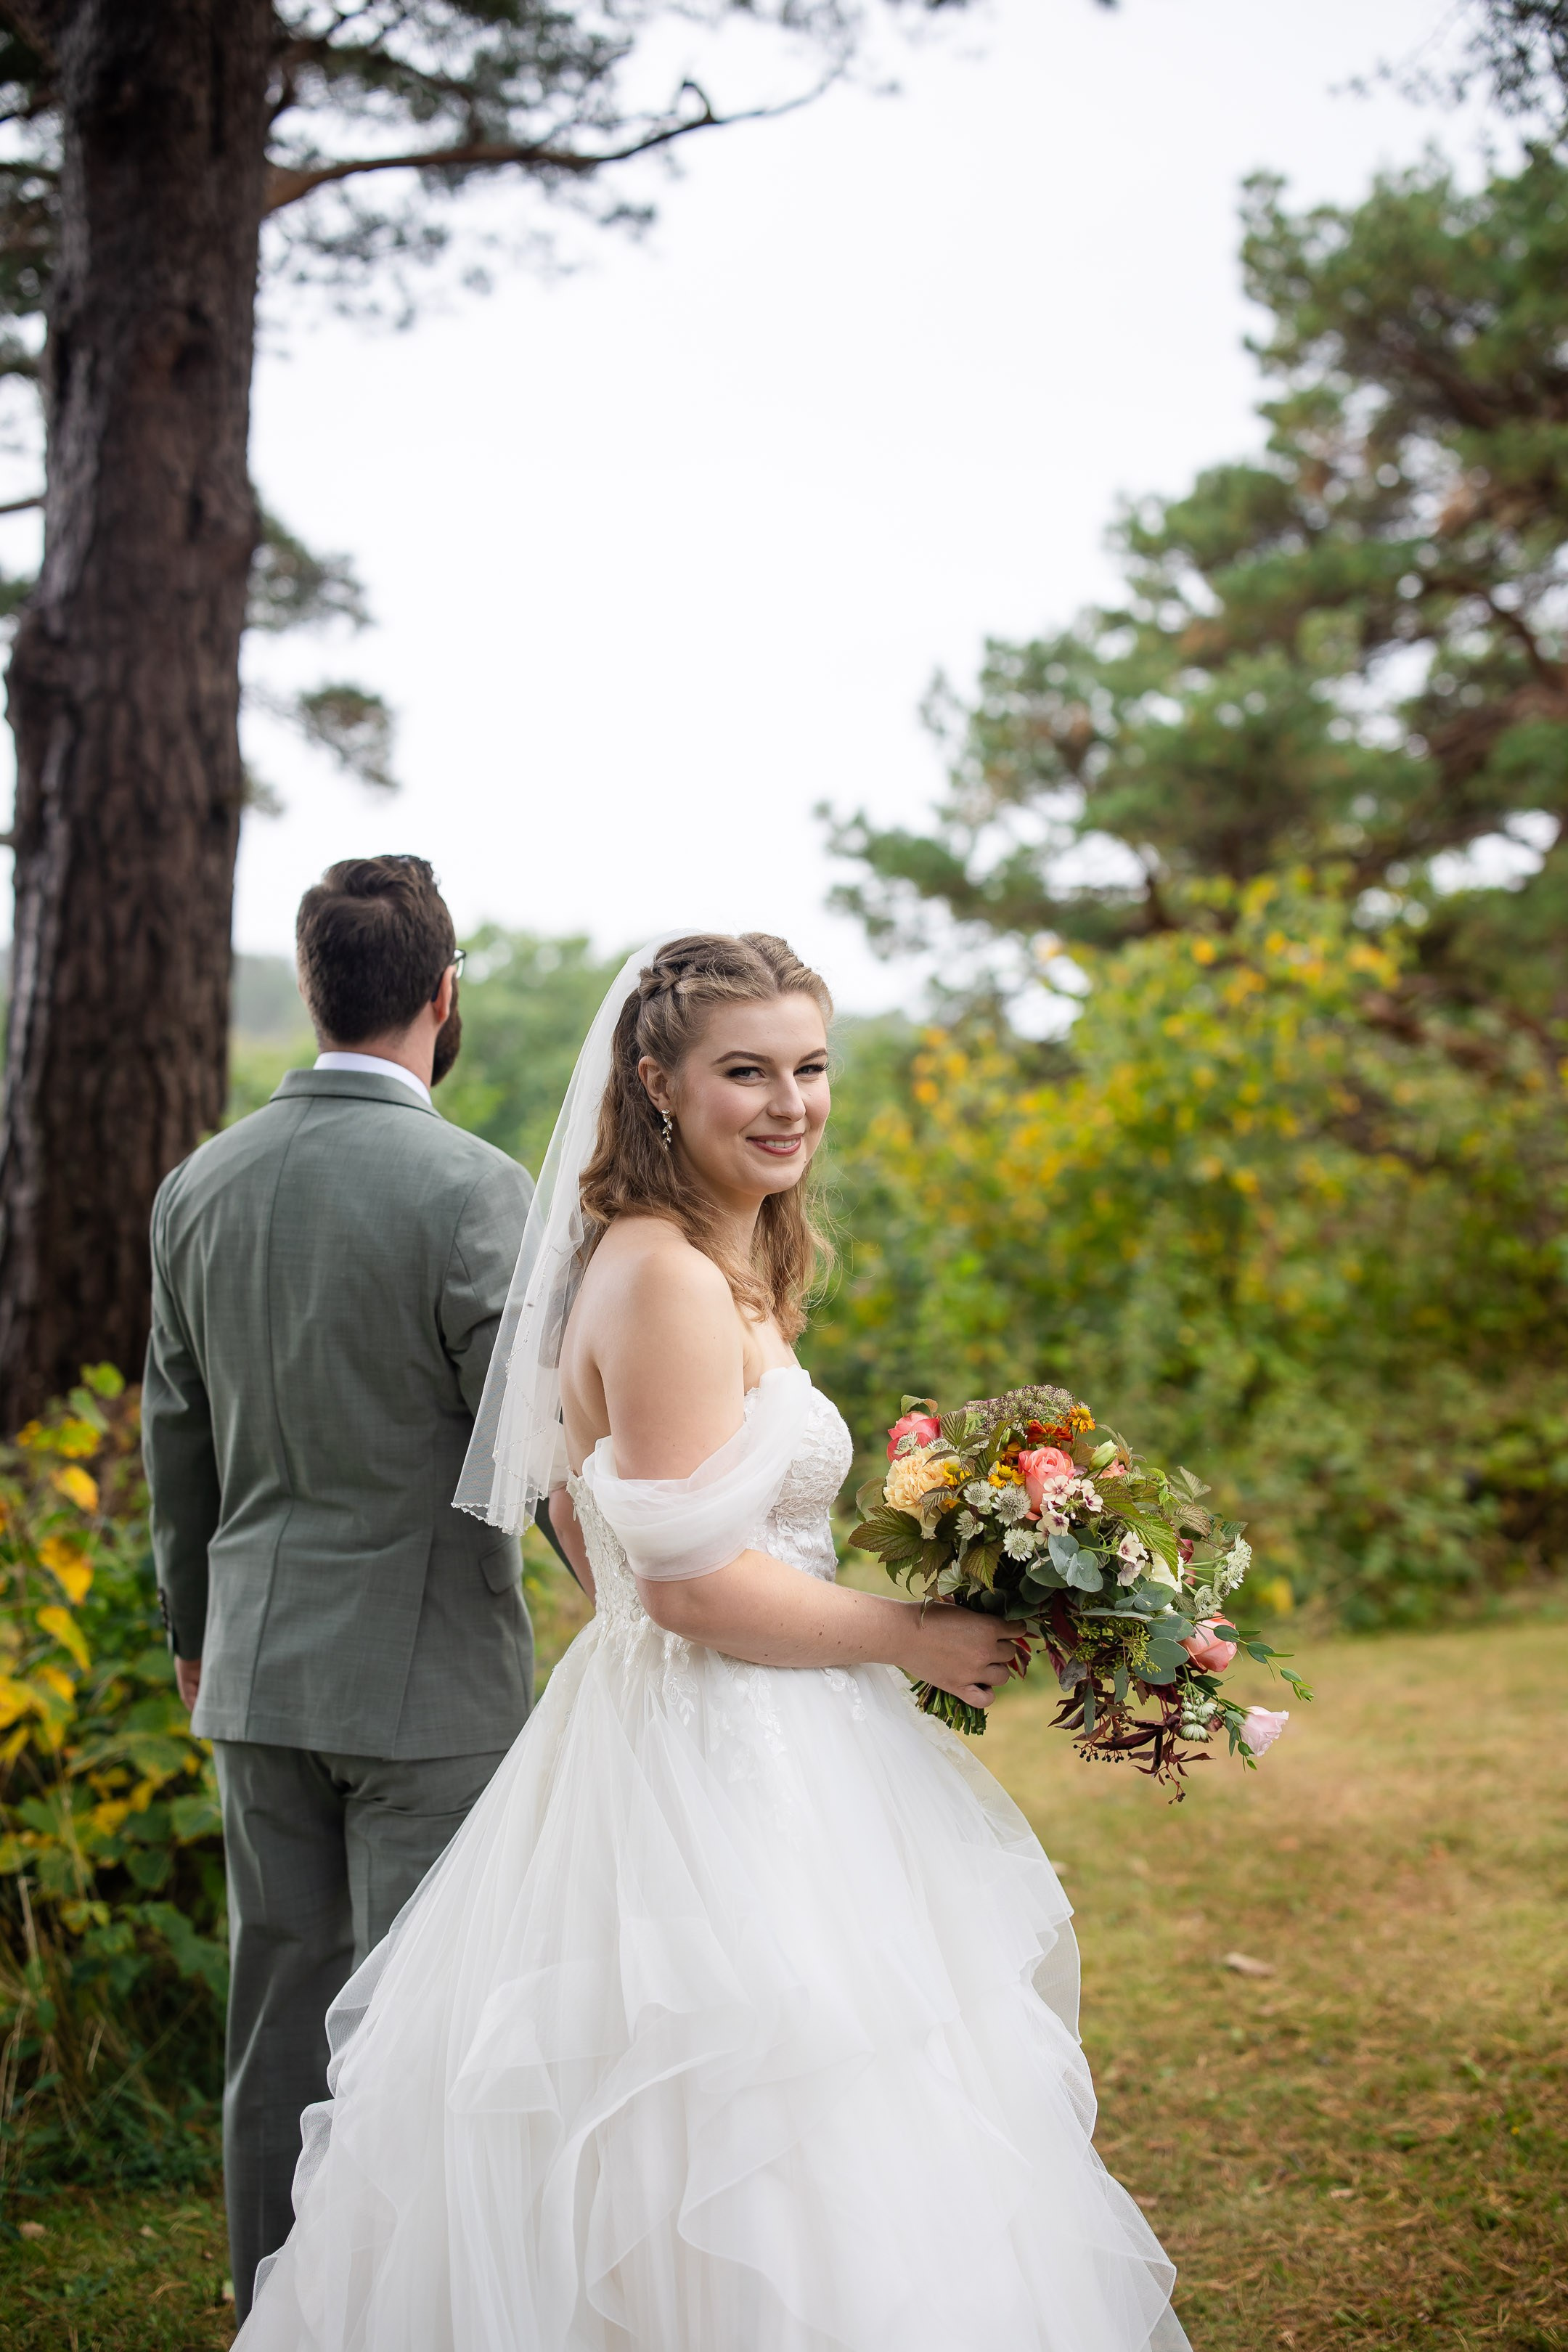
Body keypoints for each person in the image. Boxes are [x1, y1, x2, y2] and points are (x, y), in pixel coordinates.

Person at [232, 930, 1191, 2351]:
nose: (790, 1101)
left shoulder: (711, 1257)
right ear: (656, 1082)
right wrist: (908, 1633)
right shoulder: (668, 1276)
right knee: (751, 2109)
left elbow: (606, 1520)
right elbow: (683, 1590)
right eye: (746, 1071)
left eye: (810, 1067)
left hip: (744, 1726)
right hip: (712, 1751)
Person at [143, 856, 537, 2325]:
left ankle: (273, 2302)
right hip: (434, 1681)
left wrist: (195, 1634)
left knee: (281, 2010)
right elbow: (527, 1449)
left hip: (254, 1666)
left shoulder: (202, 1183)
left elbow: (170, 1442)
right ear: (445, 995)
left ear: (314, 990)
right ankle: (414, 2308)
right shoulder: (474, 1187)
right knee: (427, 2015)